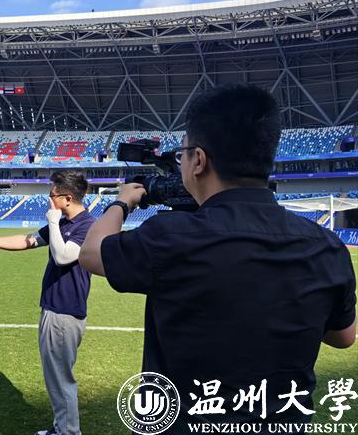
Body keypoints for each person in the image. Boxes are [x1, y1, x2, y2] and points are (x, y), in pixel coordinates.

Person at [79, 84, 356, 432]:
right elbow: (344, 337)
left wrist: (122, 202)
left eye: (182, 155)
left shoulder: (170, 237)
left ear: (199, 160)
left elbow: (91, 252)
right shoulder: (327, 247)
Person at [0, 171, 95, 435]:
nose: (48, 200)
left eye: (52, 195)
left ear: (67, 198)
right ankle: (62, 428)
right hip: (53, 309)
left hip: (65, 312)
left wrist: (53, 220)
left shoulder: (86, 225)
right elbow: (28, 240)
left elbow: (63, 257)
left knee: (61, 379)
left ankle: (68, 432)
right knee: (56, 377)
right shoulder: (64, 224)